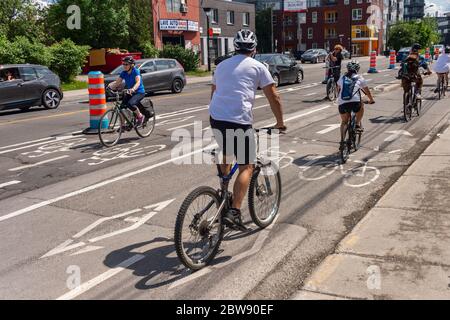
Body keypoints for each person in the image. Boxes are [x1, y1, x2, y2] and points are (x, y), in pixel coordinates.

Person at [209, 29, 286, 231]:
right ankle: (234, 212)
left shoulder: (221, 66)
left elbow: (213, 93)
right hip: (239, 121)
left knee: (226, 147)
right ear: (254, 49)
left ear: (235, 48)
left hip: (216, 117)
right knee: (247, 167)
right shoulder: (259, 67)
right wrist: (280, 122)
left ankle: (224, 188)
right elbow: (274, 97)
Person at [336, 61, 375, 151]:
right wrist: (371, 100)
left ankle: (342, 141)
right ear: (357, 69)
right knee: (361, 104)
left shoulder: (342, 77)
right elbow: (367, 91)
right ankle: (357, 124)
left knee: (344, 122)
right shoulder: (360, 78)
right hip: (355, 103)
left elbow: (338, 88)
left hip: (342, 103)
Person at [109, 56, 146, 126]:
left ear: (131, 65)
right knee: (121, 108)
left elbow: (138, 82)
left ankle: (140, 116)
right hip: (130, 92)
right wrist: (109, 87)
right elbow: (117, 82)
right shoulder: (124, 73)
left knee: (130, 104)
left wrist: (133, 89)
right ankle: (122, 126)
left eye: (126, 64)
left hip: (139, 92)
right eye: (123, 64)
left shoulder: (136, 71)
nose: (124, 66)